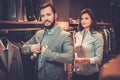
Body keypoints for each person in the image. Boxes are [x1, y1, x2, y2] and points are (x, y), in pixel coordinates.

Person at [22, 3, 74, 80]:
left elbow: (70, 57)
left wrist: (49, 53)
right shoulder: (39, 33)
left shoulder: (65, 35)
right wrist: (31, 48)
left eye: (48, 14)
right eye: (43, 16)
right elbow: (23, 48)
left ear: (55, 15)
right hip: (37, 77)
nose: (45, 18)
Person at [72, 8, 104, 80]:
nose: (83, 21)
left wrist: (85, 60)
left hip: (90, 74)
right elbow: (76, 52)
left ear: (92, 20)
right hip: (76, 73)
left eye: (86, 18)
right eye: (82, 19)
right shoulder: (77, 34)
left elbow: (99, 58)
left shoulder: (97, 36)